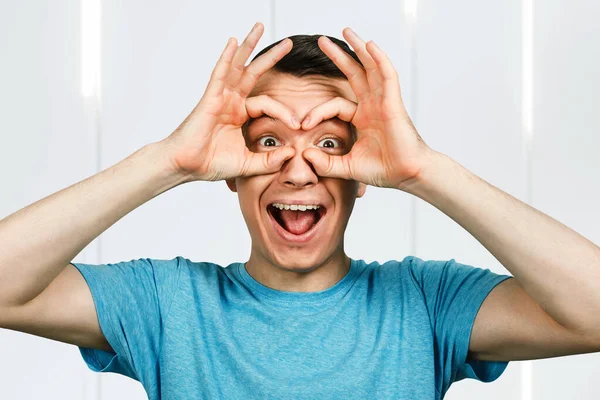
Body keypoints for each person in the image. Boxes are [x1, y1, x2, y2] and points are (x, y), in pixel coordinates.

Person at [0, 22, 599, 400]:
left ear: (363, 175)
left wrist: (424, 170)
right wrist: (169, 161)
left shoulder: (426, 300)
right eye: (267, 142)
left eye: (330, 144)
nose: (297, 168)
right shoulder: (167, 303)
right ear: (230, 171)